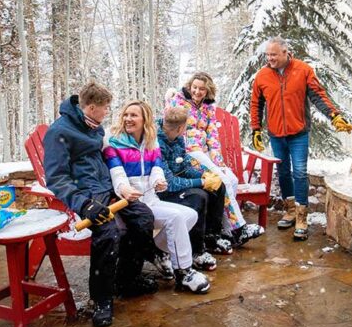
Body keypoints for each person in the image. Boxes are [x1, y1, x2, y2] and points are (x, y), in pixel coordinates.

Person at [43, 82, 157, 327]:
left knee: (144, 217)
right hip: (85, 196)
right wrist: (83, 205)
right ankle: (102, 298)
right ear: (92, 107)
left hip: (107, 189)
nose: (108, 112)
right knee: (108, 233)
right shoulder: (58, 133)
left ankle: (127, 280)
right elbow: (56, 178)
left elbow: (103, 156)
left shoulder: (93, 126)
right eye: (105, 108)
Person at [102, 100, 211, 294]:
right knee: (176, 218)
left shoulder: (151, 143)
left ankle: (158, 251)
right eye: (126, 115)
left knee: (190, 215)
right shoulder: (114, 143)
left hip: (151, 200)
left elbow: (157, 168)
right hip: (130, 203)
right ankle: (184, 271)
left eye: (134, 115)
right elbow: (116, 173)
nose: (128, 118)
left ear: (145, 119)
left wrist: (159, 181)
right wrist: (124, 189)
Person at [250, 37, 349, 241]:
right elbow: (256, 104)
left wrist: (334, 115)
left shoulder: (303, 70)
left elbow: (318, 96)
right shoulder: (262, 76)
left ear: (286, 52)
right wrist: (256, 129)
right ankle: (290, 211)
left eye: (274, 55)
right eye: (268, 55)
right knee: (283, 172)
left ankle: (302, 216)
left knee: (301, 173)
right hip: (276, 134)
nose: (270, 59)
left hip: (299, 133)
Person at [166, 72, 264, 247]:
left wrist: (219, 163)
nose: (197, 91)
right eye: (194, 87)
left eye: (201, 89)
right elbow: (170, 123)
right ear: (190, 86)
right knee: (222, 181)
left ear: (207, 90)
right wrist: (169, 100)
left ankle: (225, 230)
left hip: (203, 153)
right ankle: (238, 228)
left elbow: (212, 136)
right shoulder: (179, 101)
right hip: (188, 152)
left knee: (232, 179)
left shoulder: (208, 107)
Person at [157, 107, 234, 263]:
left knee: (218, 187)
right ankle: (196, 251)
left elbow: (184, 165)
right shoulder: (158, 144)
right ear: (181, 127)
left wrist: (204, 176)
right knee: (199, 196)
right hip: (162, 192)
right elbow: (169, 183)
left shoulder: (177, 138)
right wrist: (202, 182)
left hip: (176, 185)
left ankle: (212, 237)